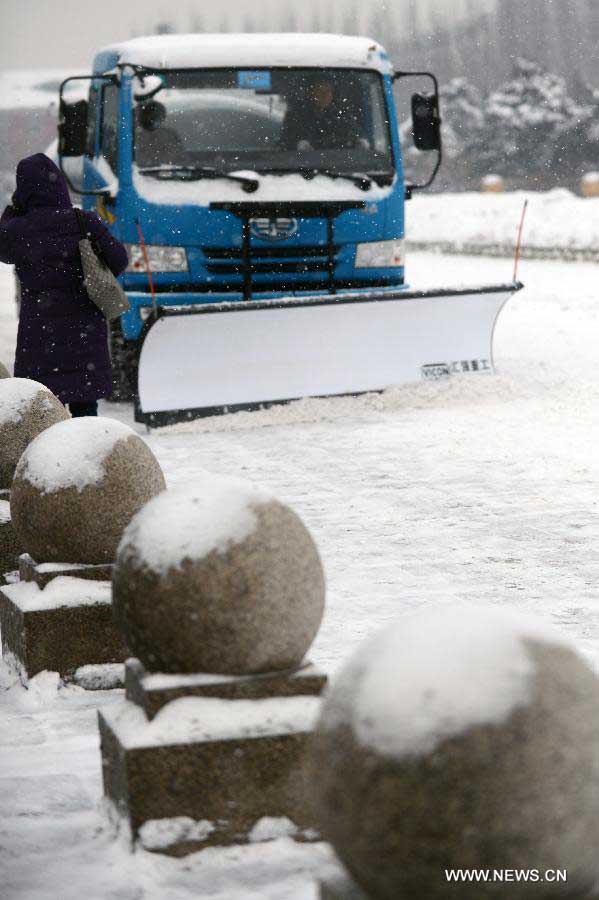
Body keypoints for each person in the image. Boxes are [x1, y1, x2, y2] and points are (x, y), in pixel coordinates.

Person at [0, 153, 128, 417]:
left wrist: (14, 210)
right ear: (58, 183)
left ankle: (51, 456)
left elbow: (3, 251)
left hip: (39, 340)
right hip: (85, 335)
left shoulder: (18, 230)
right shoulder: (83, 221)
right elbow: (119, 259)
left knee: (45, 415)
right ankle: (84, 454)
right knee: (85, 414)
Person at [279, 78, 360, 152]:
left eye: (328, 91)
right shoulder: (296, 115)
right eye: (320, 91)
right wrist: (299, 145)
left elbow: (355, 135)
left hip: (339, 162)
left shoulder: (342, 115)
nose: (325, 95)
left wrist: (359, 142)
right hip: (302, 164)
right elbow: (285, 141)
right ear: (311, 93)